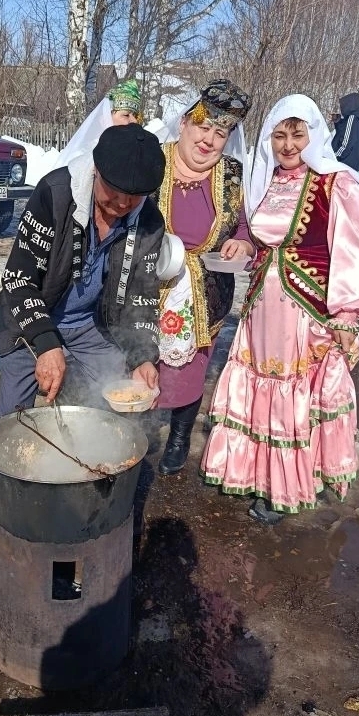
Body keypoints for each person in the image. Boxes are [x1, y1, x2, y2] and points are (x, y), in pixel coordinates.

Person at [200, 94, 359, 522]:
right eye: (279, 135)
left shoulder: (337, 183)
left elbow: (351, 252)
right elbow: (261, 238)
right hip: (261, 306)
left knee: (292, 392)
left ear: (313, 135)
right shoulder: (267, 180)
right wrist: (245, 244)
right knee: (257, 383)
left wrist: (347, 314)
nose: (288, 145)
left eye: (297, 134)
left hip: (305, 311)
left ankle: (287, 484)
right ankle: (250, 471)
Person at [0, 123, 166, 418]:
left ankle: (94, 458)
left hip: (89, 324)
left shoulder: (148, 219)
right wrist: (47, 343)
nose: (124, 203)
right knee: (13, 419)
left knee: (118, 404)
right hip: (30, 318)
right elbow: (18, 279)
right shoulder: (55, 194)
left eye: (135, 195)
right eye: (116, 190)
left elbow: (141, 294)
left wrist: (143, 358)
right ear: (96, 169)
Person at [154, 80, 253, 476]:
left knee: (191, 366)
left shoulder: (233, 177)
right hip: (151, 277)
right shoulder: (153, 160)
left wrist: (242, 245)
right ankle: (136, 426)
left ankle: (179, 437)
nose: (210, 139)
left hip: (205, 285)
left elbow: (247, 227)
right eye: (203, 126)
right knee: (141, 355)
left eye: (221, 132)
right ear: (184, 124)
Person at [331, 92, 359, 174]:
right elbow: (344, 133)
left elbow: (347, 141)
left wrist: (335, 155)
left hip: (344, 162)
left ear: (348, 105)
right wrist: (338, 121)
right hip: (351, 162)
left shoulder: (352, 118)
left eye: (342, 105)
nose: (341, 108)